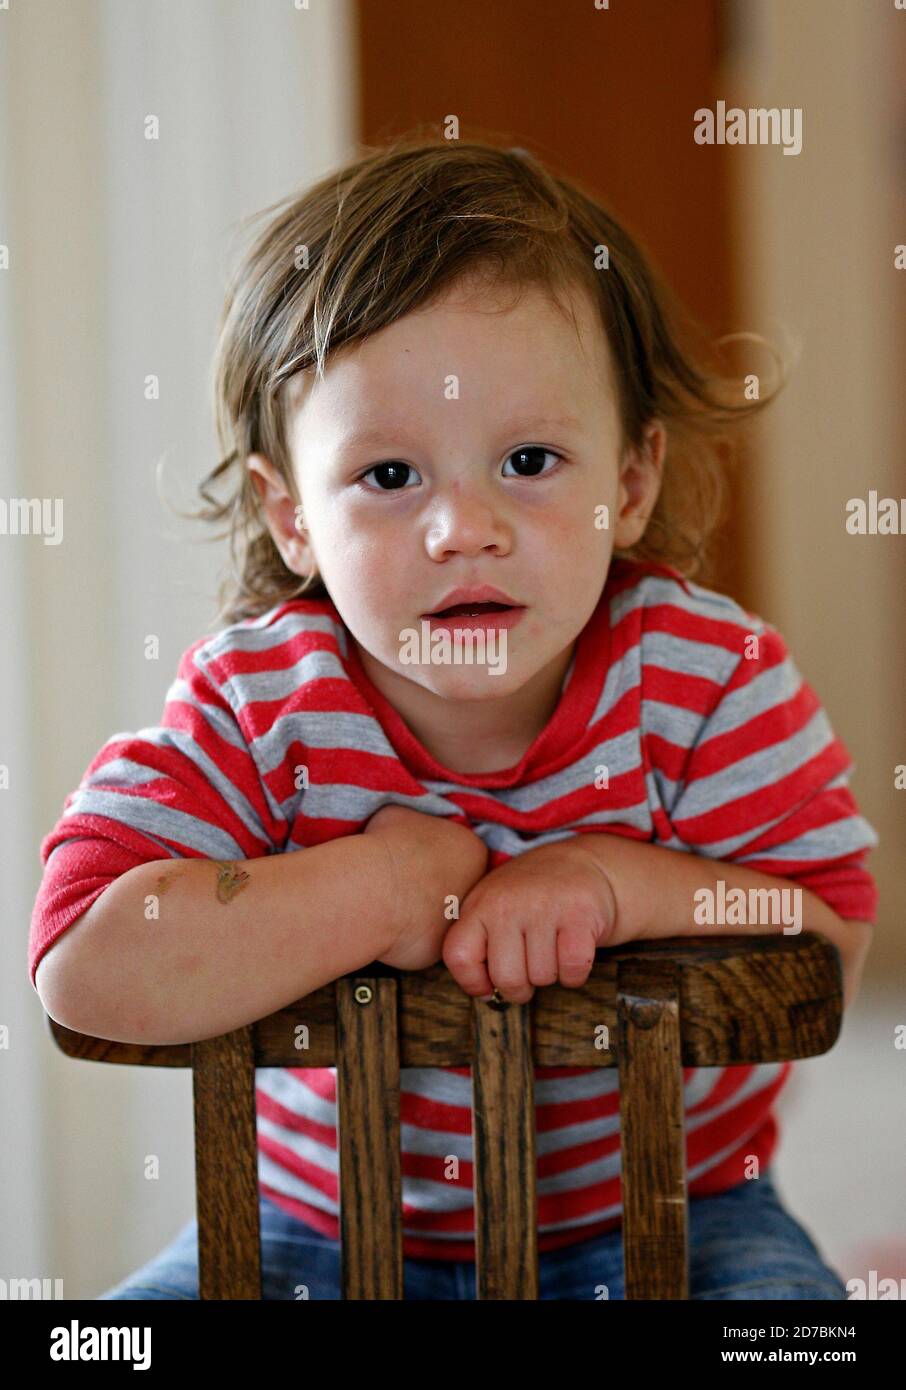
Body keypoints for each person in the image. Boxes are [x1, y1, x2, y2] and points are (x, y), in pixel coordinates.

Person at [30, 136, 877, 1300]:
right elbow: (82, 960)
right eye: (389, 477)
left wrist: (610, 883)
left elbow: (825, 947)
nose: (462, 528)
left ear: (627, 485)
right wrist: (382, 889)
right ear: (292, 520)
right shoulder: (261, 705)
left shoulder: (707, 681)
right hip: (306, 1232)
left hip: (667, 1215)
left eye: (530, 459)